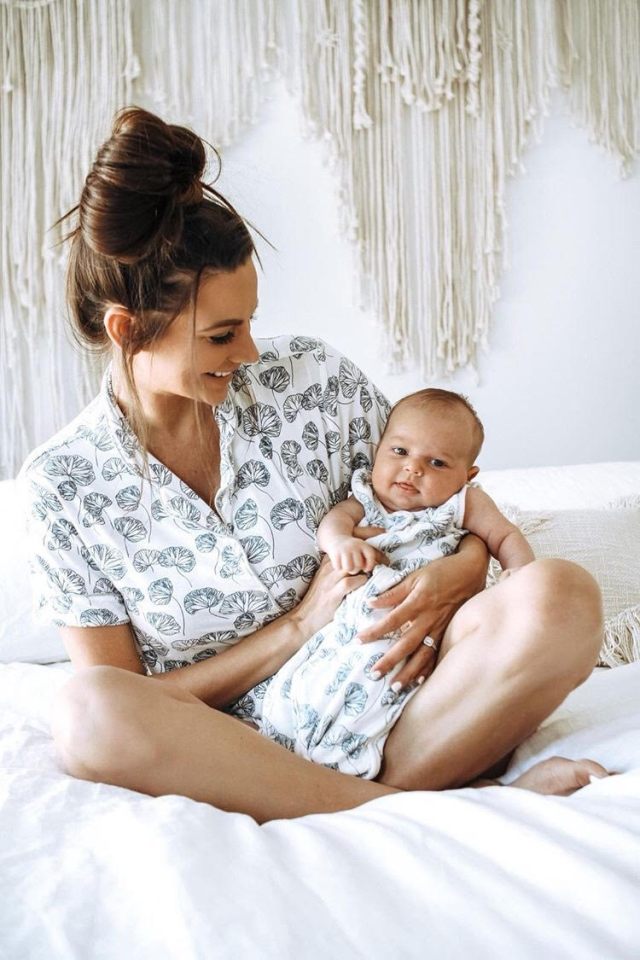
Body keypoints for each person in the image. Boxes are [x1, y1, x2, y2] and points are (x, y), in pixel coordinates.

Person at [19, 107, 607, 824]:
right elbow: (135, 697)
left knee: (562, 596)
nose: (250, 354)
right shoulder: (62, 486)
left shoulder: (312, 381)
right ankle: (429, 812)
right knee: (85, 713)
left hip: (397, 701)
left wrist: (459, 569)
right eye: (221, 334)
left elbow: (438, 495)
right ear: (128, 327)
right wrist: (296, 630)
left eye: (251, 321)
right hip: (225, 753)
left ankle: (378, 802)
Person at [260, 388, 535, 778]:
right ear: (379, 448)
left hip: (432, 633)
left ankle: (474, 769)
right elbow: (334, 522)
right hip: (359, 627)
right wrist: (342, 542)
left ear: (466, 476)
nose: (413, 469)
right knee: (320, 685)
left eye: (437, 462)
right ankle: (317, 746)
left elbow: (505, 537)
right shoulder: (366, 498)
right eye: (400, 452)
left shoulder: (464, 504)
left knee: (470, 695)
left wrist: (521, 577)